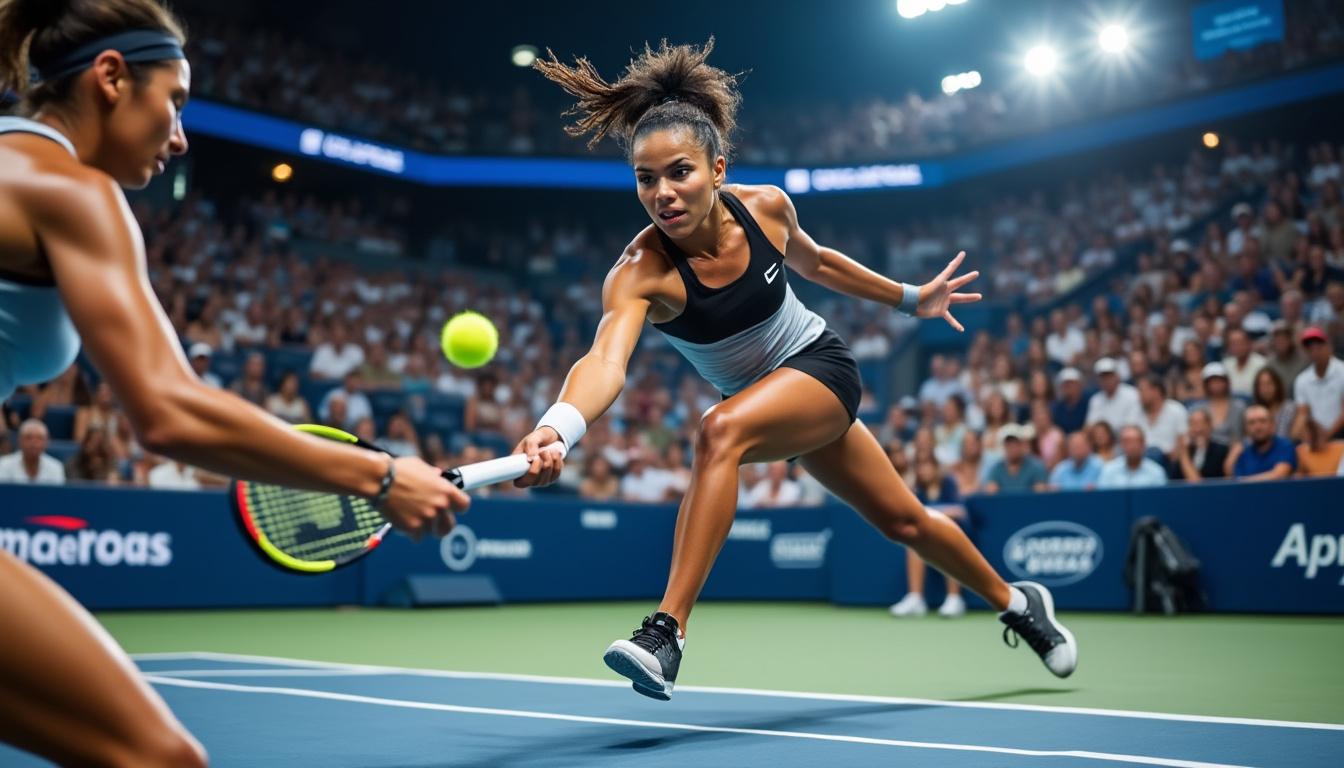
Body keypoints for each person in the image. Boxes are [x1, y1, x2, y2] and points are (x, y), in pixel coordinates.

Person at [516, 39, 1076, 701]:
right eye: (646, 178)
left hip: (820, 369)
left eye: (679, 172)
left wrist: (910, 298)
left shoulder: (766, 208)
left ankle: (666, 632)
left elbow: (818, 262)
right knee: (905, 522)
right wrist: (559, 427)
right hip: (770, 405)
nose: (662, 193)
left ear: (717, 168)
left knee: (719, 430)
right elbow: (605, 359)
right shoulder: (639, 273)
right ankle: (1018, 601)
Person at [0, 3, 468, 764]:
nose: (181, 137)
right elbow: (169, 411)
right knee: (160, 758)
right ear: (111, 78)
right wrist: (379, 476)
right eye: (175, 101)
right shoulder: (72, 190)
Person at [888, 455, 966, 619]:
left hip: (957, 536)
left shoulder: (948, 483)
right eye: (919, 466)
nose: (923, 470)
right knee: (913, 543)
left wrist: (928, 514)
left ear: (936, 468)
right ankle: (916, 599)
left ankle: (954, 598)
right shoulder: (918, 490)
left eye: (927, 465)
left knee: (947, 541)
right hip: (928, 537)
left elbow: (959, 511)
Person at [1293, 326, 1344, 440]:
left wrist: (1326, 435)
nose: (1315, 351)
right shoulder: (1302, 379)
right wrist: (1304, 436)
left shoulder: (1342, 371)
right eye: (1310, 348)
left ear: (1329, 346)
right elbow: (1302, 414)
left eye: (1319, 346)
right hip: (1315, 436)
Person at [1227, 405, 1297, 481]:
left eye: (1262, 421)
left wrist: (1245, 481)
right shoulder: (1242, 451)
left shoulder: (1285, 446)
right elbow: (1235, 479)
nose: (1258, 427)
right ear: (1245, 428)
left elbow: (1280, 474)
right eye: (1251, 423)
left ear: (1272, 425)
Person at [982, 424, 1049, 494]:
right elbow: (991, 492)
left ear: (1022, 445)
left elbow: (1040, 492)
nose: (1012, 448)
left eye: (1015, 443)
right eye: (1008, 444)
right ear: (1004, 446)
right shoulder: (996, 469)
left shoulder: (1036, 466)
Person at [1097, 426, 1167, 489]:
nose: (1131, 446)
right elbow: (1102, 497)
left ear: (1143, 444)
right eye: (1127, 442)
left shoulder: (1156, 472)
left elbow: (1161, 498)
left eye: (1135, 442)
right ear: (1121, 445)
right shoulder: (1109, 470)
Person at [0, 418, 66, 484]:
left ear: (46, 442)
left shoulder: (56, 467)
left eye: (39, 438)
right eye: (28, 438)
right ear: (19, 440)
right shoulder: (4, 464)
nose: (34, 443)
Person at [1173, 409, 1230, 482]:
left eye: (1201, 423)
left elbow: (1198, 483)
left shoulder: (1222, 451)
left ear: (1210, 425)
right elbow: (1175, 480)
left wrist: (1184, 454)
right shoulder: (1185, 452)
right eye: (1192, 424)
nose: (1197, 429)